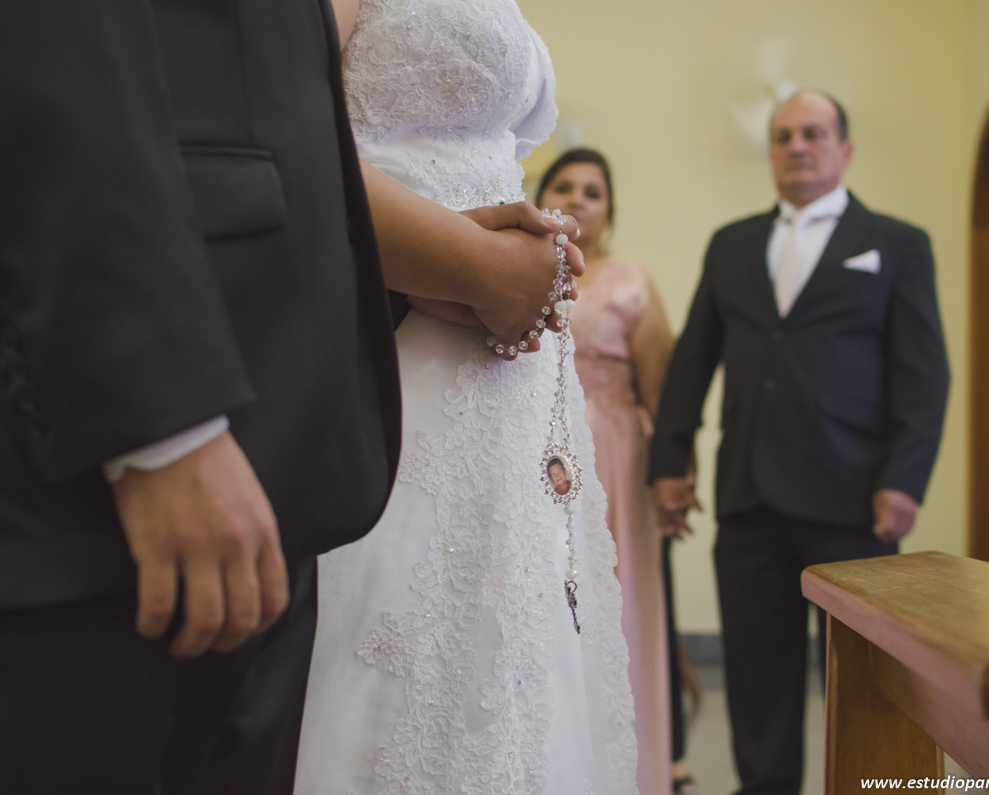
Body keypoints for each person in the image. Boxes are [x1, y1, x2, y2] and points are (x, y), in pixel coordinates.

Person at [0, 1, 581, 792]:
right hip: (127, 430)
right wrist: (166, 428)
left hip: (316, 424)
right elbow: (50, 72)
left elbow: (279, 121)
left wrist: (401, 277)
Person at [292, 2, 638, 794]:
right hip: (395, 338)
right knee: (401, 626)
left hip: (507, 385)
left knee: (518, 646)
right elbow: (293, 138)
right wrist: (475, 267)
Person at [649, 92, 950, 795]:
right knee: (756, 674)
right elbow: (692, 363)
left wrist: (906, 478)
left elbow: (924, 373)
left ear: (845, 148)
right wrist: (668, 462)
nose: (797, 146)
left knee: (867, 678)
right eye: (783, 136)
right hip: (748, 495)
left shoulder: (899, 244)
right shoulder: (730, 244)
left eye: (813, 133)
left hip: (853, 497)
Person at [537, 149, 680, 795]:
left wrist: (674, 473)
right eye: (564, 185)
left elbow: (660, 385)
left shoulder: (631, 281)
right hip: (537, 452)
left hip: (616, 456)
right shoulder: (520, 267)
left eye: (592, 191)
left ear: (610, 212)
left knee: (620, 598)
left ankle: (631, 766)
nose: (577, 198)